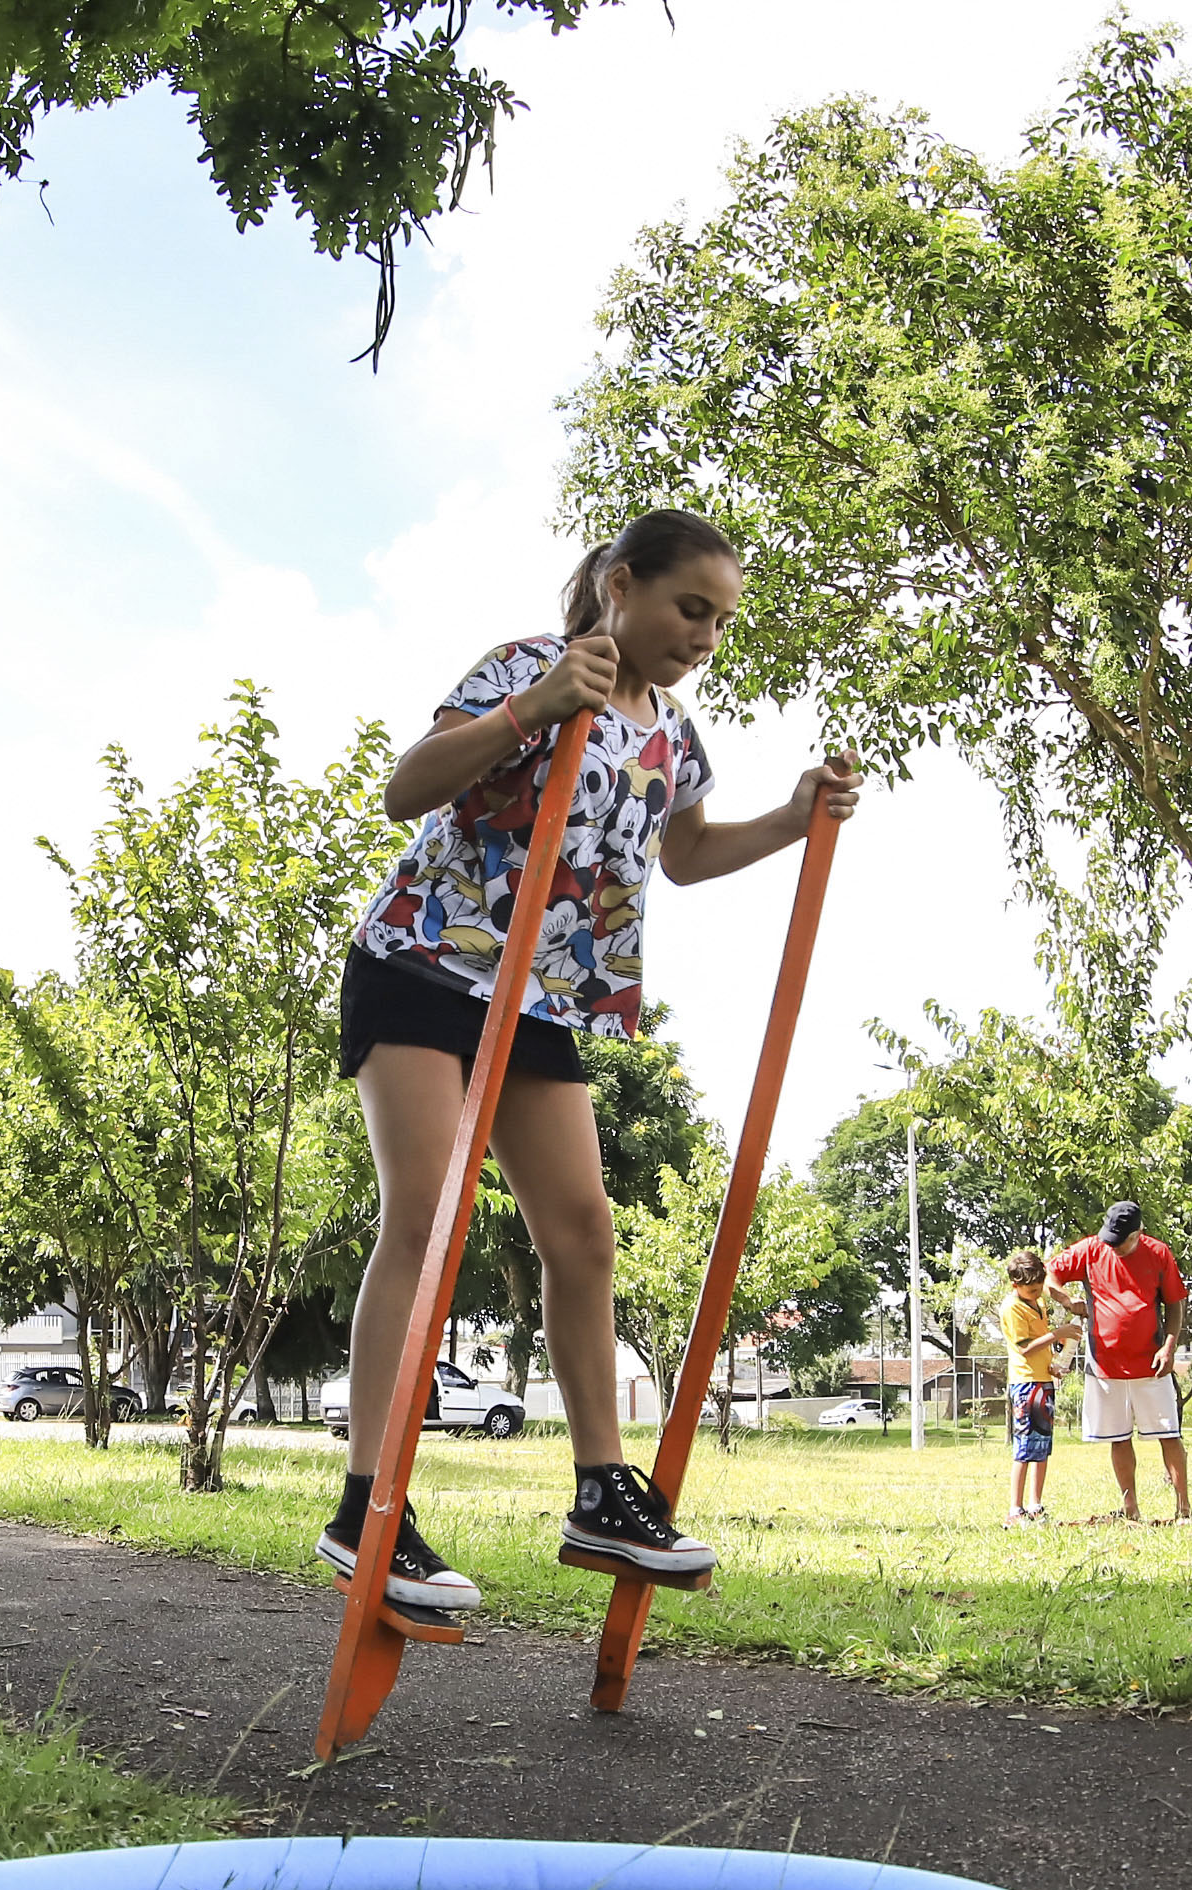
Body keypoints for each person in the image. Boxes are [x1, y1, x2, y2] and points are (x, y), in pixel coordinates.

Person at [327, 508, 864, 1612]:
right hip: (429, 961)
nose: (705, 635)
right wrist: (532, 709)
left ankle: (598, 1488)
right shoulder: (526, 664)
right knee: (426, 1218)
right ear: (620, 584)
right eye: (689, 607)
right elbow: (408, 785)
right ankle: (367, 1502)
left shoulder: (674, 734)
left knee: (581, 1233)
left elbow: (687, 854)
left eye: (720, 619)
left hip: (540, 999)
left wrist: (792, 818)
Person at [1049, 1202, 1192, 1523]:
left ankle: (1184, 1508)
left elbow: (1174, 1306)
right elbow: (1051, 1274)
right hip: (1105, 1366)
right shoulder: (1091, 1249)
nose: (1112, 1245)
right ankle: (1131, 1510)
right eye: (1109, 1238)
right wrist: (1066, 1300)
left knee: (1169, 1434)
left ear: (1138, 1234)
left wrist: (1168, 1347)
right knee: (1118, 1437)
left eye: (1120, 1240)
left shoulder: (1158, 1253)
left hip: (1151, 1365)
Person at [1001, 1249, 1059, 1523]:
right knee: (1024, 1446)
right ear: (1016, 1285)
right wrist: (1056, 1335)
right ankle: (1016, 1509)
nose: (1037, 1293)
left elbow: (1041, 1346)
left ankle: (1036, 1505)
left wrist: (1053, 1365)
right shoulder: (1012, 1308)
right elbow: (1024, 1348)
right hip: (1026, 1384)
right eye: (1032, 1289)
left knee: (1042, 1446)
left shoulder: (1039, 1304)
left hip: (1044, 1381)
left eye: (1039, 1288)